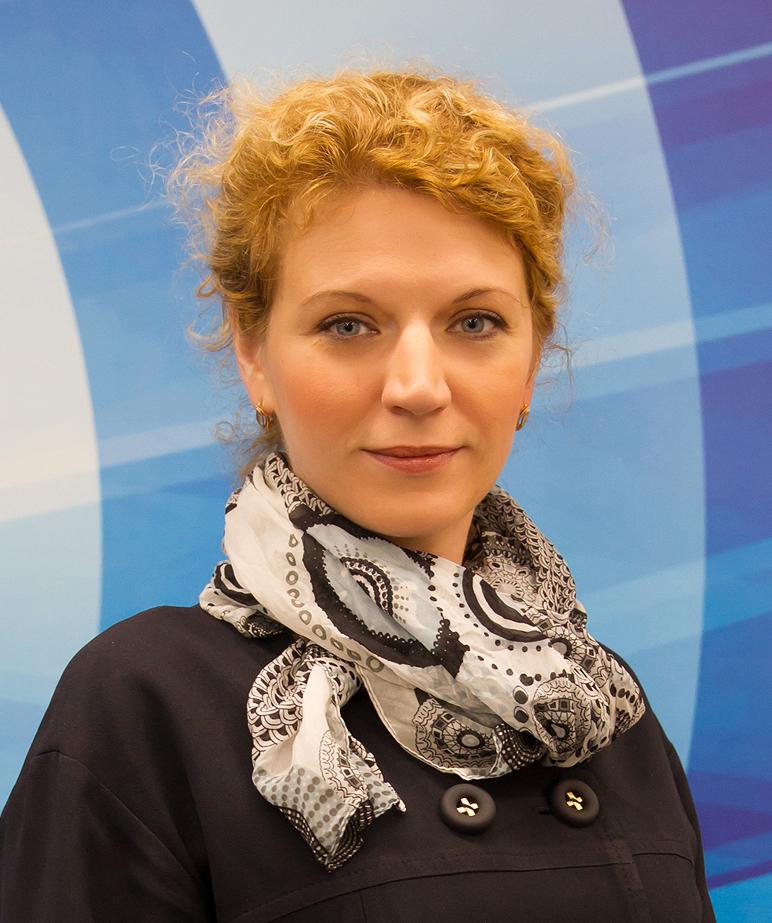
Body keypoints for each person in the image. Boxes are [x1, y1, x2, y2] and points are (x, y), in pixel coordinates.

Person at [0, 68, 714, 921]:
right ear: (255, 355)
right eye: (348, 324)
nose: (418, 385)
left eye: (475, 322)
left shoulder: (605, 707)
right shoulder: (146, 705)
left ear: (531, 359)